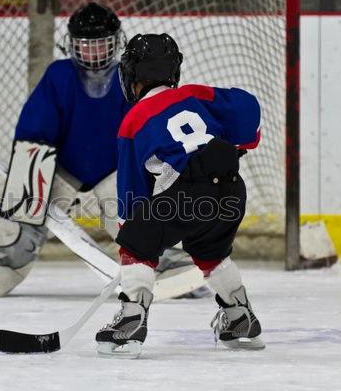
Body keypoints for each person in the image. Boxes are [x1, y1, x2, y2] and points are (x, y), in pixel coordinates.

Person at [0, 3, 209, 300]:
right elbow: (36, 126)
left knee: (143, 211)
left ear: (116, 42)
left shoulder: (134, 75)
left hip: (118, 165)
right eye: (86, 46)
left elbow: (147, 124)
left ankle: (170, 266)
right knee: (21, 202)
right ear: (72, 45)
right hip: (64, 165)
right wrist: (31, 170)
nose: (94, 53)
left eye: (101, 44)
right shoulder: (59, 75)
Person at [95, 33, 265, 358]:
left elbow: (133, 194)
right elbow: (246, 106)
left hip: (188, 194)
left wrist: (132, 243)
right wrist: (243, 141)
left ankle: (131, 320)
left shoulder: (133, 121)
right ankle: (240, 318)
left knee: (136, 241)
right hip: (231, 189)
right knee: (211, 252)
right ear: (173, 72)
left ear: (130, 77)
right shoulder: (195, 95)